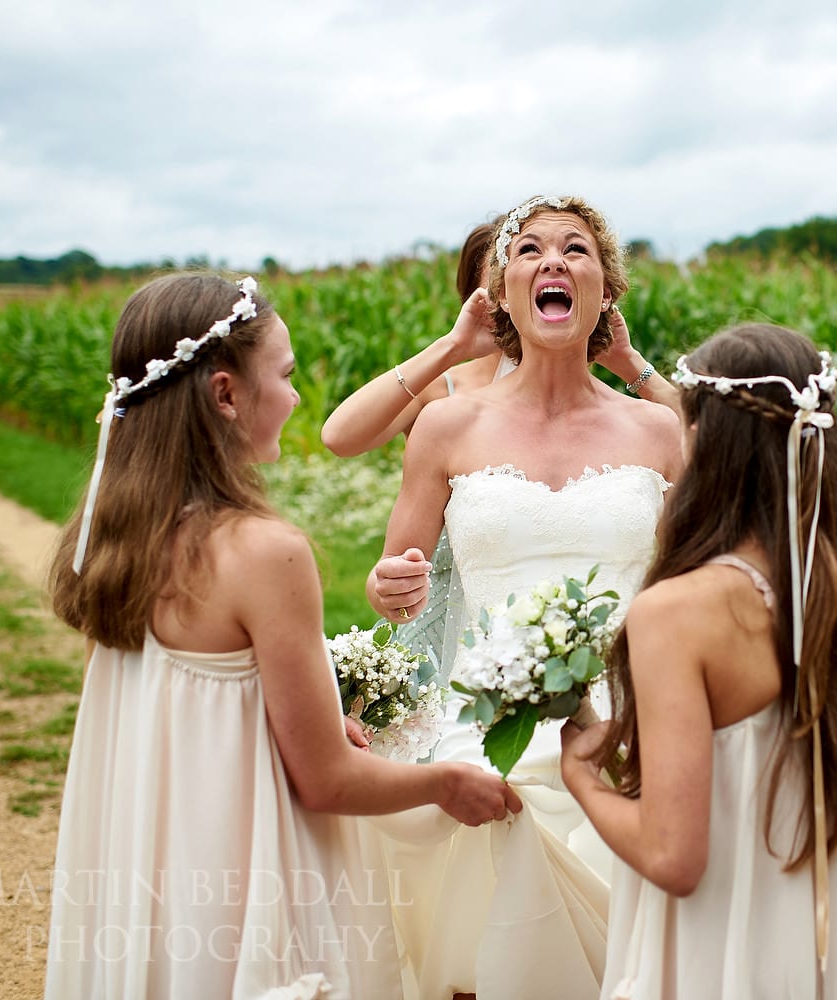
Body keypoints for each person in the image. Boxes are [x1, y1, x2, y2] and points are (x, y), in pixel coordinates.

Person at [43, 272, 520, 999]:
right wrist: (447, 782)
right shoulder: (265, 553)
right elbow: (325, 780)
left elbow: (193, 709)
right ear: (228, 394)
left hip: (149, 857)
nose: (296, 397)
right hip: (243, 873)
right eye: (287, 376)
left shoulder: (113, 540)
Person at [559, 322, 837, 999]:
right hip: (835, 964)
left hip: (721, 958)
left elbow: (674, 858)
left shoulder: (676, 614)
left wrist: (583, 777)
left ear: (708, 442)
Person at [363, 194, 682, 999]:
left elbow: (746, 480)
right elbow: (401, 589)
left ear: (605, 291)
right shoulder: (447, 427)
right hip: (484, 716)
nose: (553, 263)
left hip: (628, 714)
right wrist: (386, 584)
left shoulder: (657, 430)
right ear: (498, 293)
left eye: (576, 251)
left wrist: (637, 368)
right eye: (529, 250)